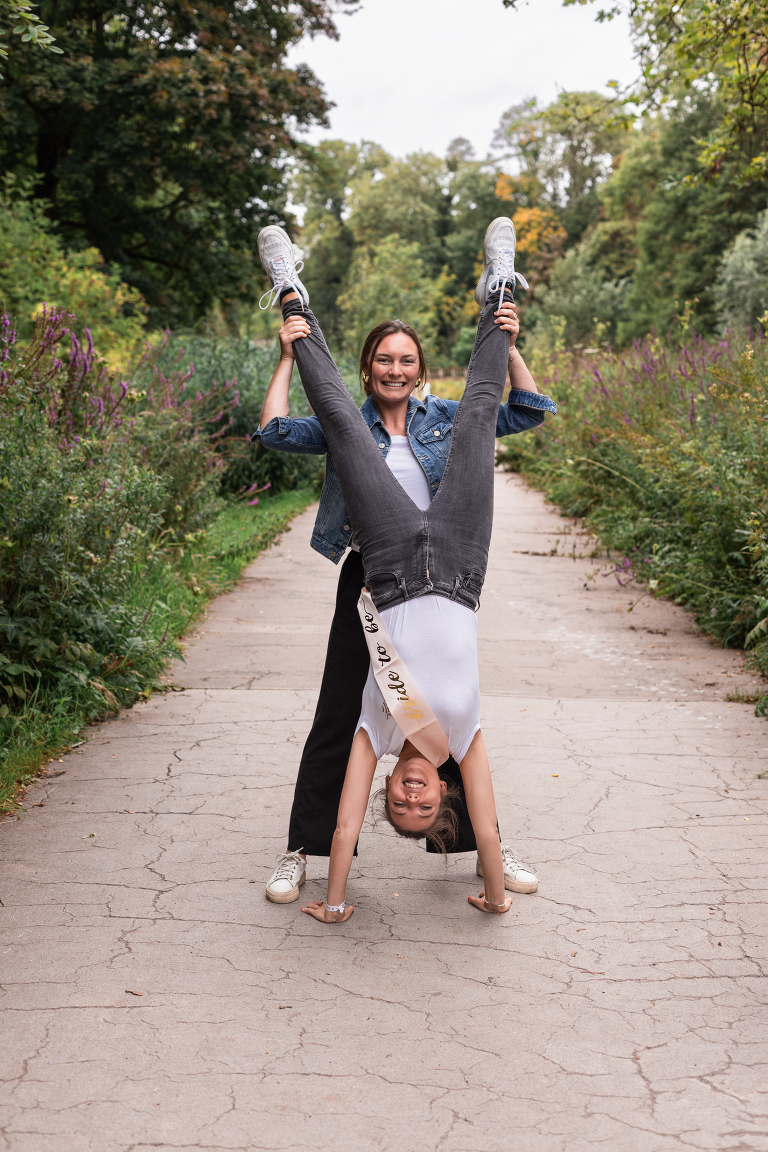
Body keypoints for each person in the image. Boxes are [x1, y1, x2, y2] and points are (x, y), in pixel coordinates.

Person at [254, 218, 556, 913]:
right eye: (384, 360)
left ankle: (483, 849)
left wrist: (509, 341)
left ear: (419, 368)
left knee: (436, 720)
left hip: (440, 572)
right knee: (342, 712)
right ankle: (307, 848)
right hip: (376, 577)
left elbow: (525, 410)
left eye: (405, 360)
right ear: (369, 368)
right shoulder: (351, 424)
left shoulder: (443, 417)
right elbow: (273, 432)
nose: (395, 368)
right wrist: (284, 356)